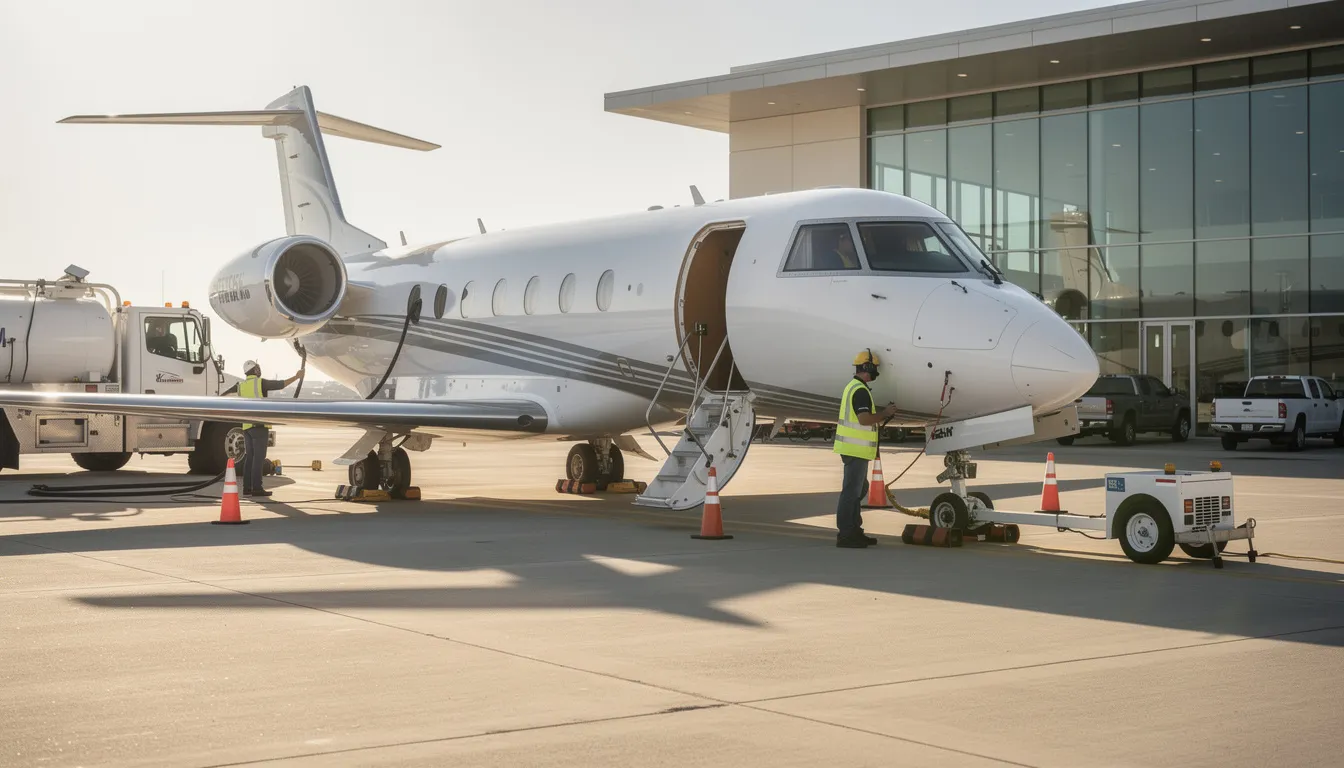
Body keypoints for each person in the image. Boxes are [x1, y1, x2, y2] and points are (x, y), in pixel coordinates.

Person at [833, 349, 898, 548]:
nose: (876, 372)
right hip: (855, 450)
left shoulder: (855, 388)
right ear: (868, 368)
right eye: (875, 368)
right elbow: (863, 419)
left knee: (860, 489)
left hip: (855, 449)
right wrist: (884, 413)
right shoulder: (859, 390)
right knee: (851, 492)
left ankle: (854, 530)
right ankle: (846, 534)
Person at [221, 360, 301, 497]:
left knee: (249, 458)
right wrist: (297, 377)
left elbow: (225, 395)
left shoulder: (240, 385)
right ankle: (257, 488)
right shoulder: (260, 383)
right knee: (259, 459)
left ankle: (247, 488)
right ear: (255, 370)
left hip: (246, 427)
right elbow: (281, 384)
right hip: (259, 426)